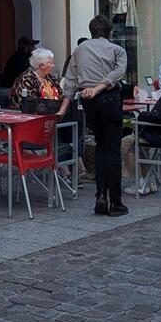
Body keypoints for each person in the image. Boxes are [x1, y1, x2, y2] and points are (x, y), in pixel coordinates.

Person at [65, 15, 129, 217]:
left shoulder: (80, 49)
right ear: (110, 32)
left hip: (88, 100)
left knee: (101, 146)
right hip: (109, 98)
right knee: (113, 149)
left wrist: (63, 107)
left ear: (91, 31)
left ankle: (100, 194)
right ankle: (115, 201)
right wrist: (100, 87)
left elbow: (70, 79)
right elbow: (118, 73)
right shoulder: (117, 50)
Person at [9, 47, 69, 116]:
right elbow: (31, 106)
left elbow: (61, 95)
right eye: (50, 63)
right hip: (31, 117)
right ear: (41, 65)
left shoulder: (51, 77)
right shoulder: (27, 79)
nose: (53, 65)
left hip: (54, 114)